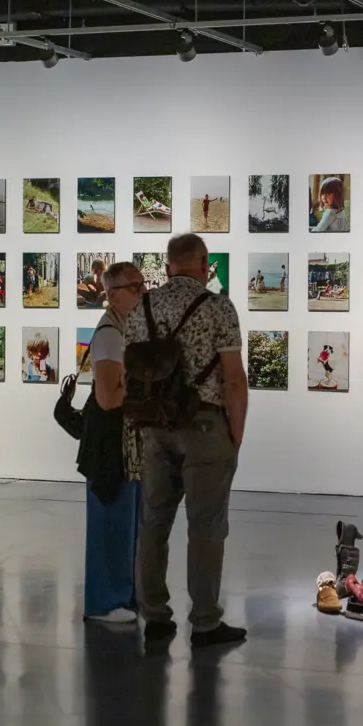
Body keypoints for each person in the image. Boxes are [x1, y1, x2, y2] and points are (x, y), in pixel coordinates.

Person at [125, 234, 248, 648]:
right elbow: (233, 378)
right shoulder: (217, 307)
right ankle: (205, 622)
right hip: (205, 427)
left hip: (155, 427)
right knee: (207, 526)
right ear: (203, 263)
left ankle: (155, 616)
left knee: (153, 521)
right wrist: (236, 434)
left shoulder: (143, 307)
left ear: (167, 265)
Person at [82, 261, 147, 625]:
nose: (142, 293)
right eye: (134, 288)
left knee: (126, 523)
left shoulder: (125, 330)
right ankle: (105, 602)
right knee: (111, 520)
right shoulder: (109, 333)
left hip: (126, 445)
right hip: (110, 445)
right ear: (112, 295)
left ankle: (121, 596)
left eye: (142, 285)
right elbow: (108, 397)